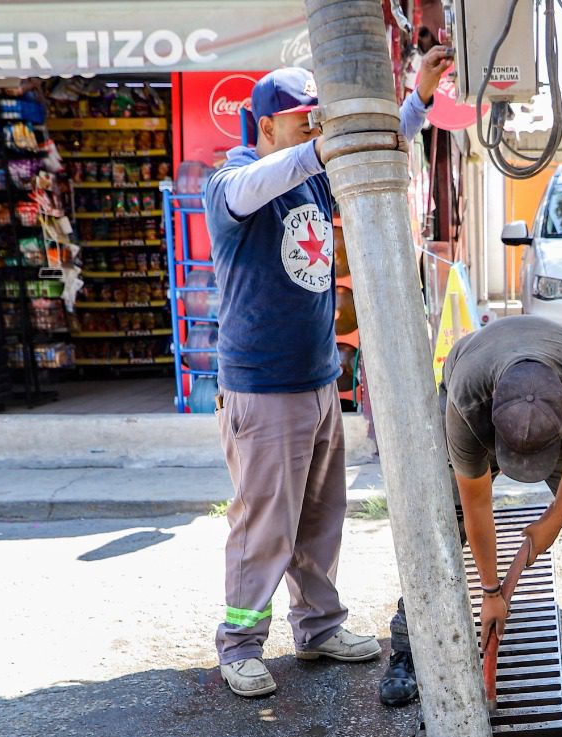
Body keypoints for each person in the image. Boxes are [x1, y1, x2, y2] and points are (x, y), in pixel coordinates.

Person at [207, 47, 453, 698]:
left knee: (320, 518)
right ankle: (239, 644)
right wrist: (319, 151)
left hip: (317, 380)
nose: (317, 132)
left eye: (321, 122)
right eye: (305, 121)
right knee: (265, 523)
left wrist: (418, 99)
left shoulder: (312, 169)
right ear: (266, 127)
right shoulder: (232, 180)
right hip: (261, 387)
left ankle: (317, 628)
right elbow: (252, 186)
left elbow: (375, 146)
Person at [380, 315, 562, 705]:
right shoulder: (469, 404)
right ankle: (409, 645)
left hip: (561, 409)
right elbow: (477, 504)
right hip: (477, 391)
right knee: (445, 521)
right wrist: (492, 591)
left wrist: (553, 519)